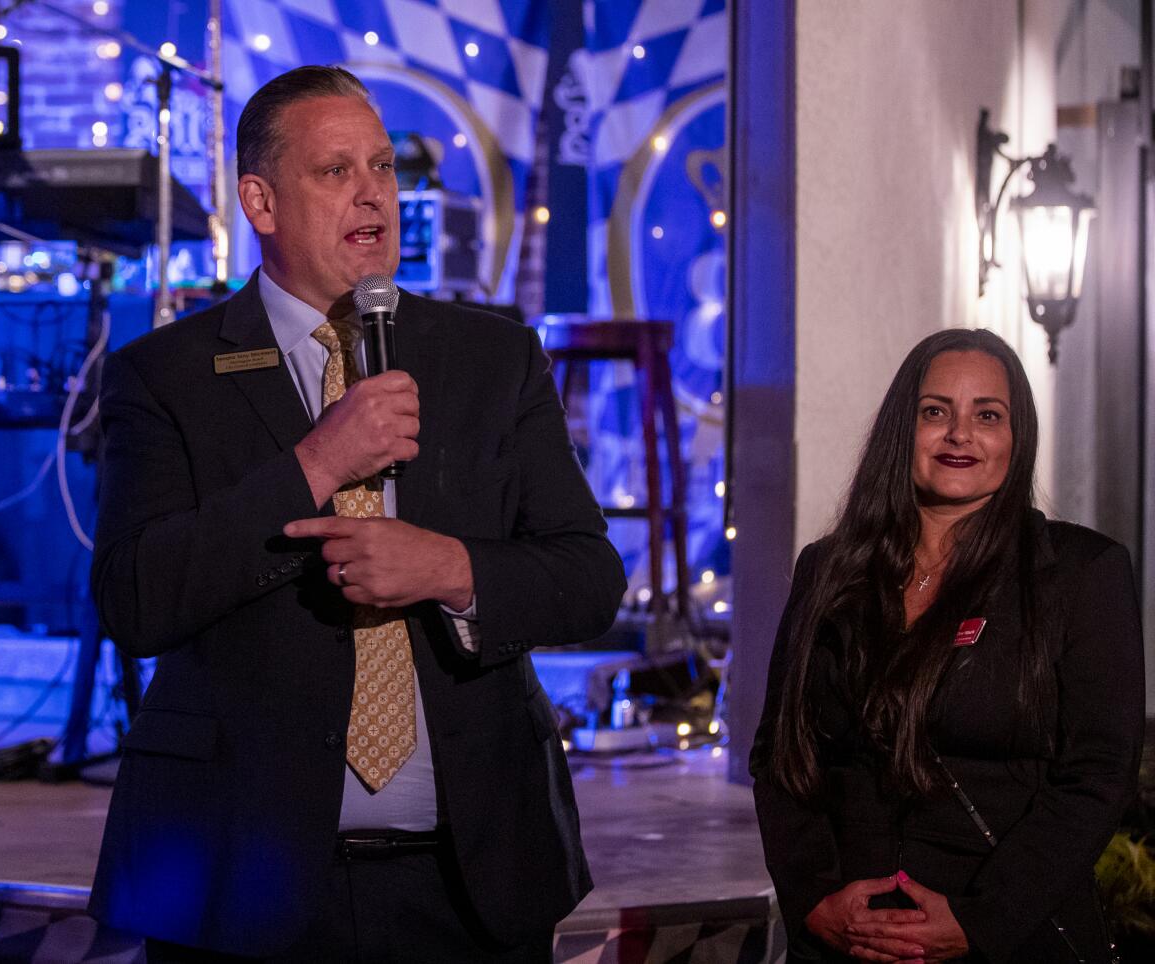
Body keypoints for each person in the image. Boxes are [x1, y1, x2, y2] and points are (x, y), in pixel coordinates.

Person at [87, 65, 626, 962]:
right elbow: (137, 601)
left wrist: (450, 569)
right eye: (336, 171)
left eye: (382, 167)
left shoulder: (493, 359)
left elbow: (589, 578)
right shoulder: (164, 376)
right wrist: (321, 459)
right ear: (259, 201)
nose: (373, 193)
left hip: (472, 884)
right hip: (240, 882)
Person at [750, 329, 1144, 964]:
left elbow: (1099, 775)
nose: (960, 435)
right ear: (902, 429)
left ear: (1017, 440)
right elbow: (781, 753)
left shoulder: (1080, 572)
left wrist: (980, 920)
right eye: (936, 412)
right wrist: (813, 901)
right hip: (847, 943)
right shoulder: (829, 570)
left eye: (988, 415)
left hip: (1005, 938)